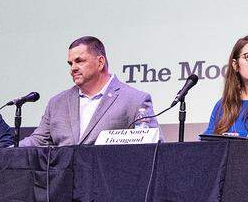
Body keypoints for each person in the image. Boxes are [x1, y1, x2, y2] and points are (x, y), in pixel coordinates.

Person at [20, 36, 159, 147]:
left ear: (100, 62)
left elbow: (154, 149)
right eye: (70, 63)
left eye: (79, 61)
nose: (73, 68)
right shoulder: (57, 103)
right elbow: (37, 141)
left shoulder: (135, 100)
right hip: (64, 175)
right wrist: (8, 150)